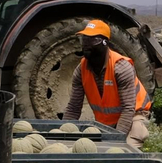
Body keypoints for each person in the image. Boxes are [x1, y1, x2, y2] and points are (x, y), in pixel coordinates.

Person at [64, 19, 151, 148]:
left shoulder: (120, 67)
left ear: (104, 43)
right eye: (84, 39)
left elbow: (128, 109)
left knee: (124, 151)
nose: (86, 44)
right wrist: (63, 135)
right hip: (106, 121)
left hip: (134, 115)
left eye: (92, 40)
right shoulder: (81, 70)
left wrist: (114, 140)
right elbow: (73, 109)